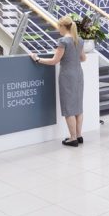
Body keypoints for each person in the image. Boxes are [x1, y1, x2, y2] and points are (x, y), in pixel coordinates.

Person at [31, 15, 86, 147]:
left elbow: (54, 61)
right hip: (78, 74)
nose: (58, 30)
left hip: (67, 75)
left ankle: (72, 138)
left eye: (58, 27)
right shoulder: (79, 40)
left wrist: (37, 59)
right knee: (78, 107)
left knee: (68, 108)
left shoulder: (63, 41)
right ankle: (78, 136)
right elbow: (83, 58)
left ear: (62, 26)